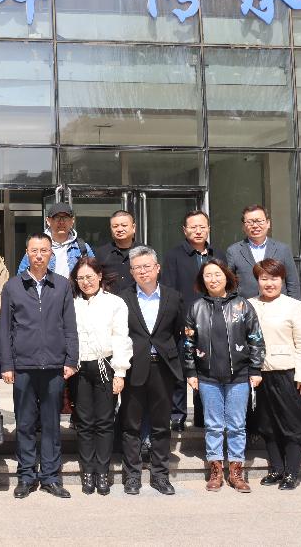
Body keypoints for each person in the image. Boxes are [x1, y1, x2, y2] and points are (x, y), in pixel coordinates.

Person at [0, 233, 78, 499]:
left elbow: (70, 326)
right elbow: (5, 329)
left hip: (54, 365)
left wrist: (71, 359)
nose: (39, 255)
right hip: (23, 366)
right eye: (34, 250)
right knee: (24, 423)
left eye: (44, 250)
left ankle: (51, 477)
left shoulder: (62, 285)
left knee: (51, 424)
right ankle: (26, 476)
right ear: (27, 253)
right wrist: (7, 364)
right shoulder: (13, 286)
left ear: (51, 254)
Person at [184, 258, 264, 493]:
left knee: (237, 425)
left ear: (226, 277)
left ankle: (236, 472)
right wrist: (190, 371)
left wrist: (255, 369)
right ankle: (216, 470)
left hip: (238, 375)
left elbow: (256, 339)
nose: (213, 279)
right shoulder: (196, 307)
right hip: (207, 376)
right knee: (213, 425)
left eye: (217, 274)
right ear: (202, 280)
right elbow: (188, 343)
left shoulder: (242, 305)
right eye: (208, 275)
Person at [249, 259, 301, 491]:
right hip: (260, 375)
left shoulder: (294, 306)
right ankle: (276, 469)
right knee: (267, 425)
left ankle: (291, 473)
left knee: (292, 425)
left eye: (274, 278)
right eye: (264, 278)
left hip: (288, 375)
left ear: (282, 280)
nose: (269, 283)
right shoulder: (249, 304)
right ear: (257, 281)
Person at [118, 246, 184, 496]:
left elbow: (178, 332)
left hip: (163, 367)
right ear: (131, 272)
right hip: (134, 367)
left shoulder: (173, 297)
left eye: (147, 266)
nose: (142, 271)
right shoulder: (122, 298)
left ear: (157, 268)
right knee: (131, 425)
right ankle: (132, 476)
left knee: (161, 426)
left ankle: (160, 476)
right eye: (137, 268)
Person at [70, 257, 131, 496]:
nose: (86, 282)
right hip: (79, 368)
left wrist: (120, 372)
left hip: (105, 366)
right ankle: (88, 471)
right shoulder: (72, 303)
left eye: (89, 276)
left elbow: (121, 338)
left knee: (105, 422)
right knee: (84, 423)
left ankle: (103, 472)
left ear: (99, 276)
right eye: (80, 278)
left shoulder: (115, 303)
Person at [162, 209, 223, 430]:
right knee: (180, 372)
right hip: (184, 324)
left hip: (213, 324)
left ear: (209, 229)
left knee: (207, 372)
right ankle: (177, 415)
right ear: (185, 230)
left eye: (202, 227)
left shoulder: (218, 255)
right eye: (193, 227)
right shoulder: (174, 256)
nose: (198, 231)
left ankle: (202, 415)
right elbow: (169, 290)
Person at [226, 204, 301, 300]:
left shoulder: (283, 249)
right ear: (244, 226)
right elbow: (229, 283)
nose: (255, 225)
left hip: (278, 305)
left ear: (268, 223)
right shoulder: (234, 251)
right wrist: (235, 304)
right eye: (249, 222)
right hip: (247, 305)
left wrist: (294, 305)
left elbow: (293, 283)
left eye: (259, 221)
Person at [18, 203, 94, 279]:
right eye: (57, 218)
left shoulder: (82, 247)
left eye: (65, 218)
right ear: (48, 221)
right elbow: (21, 277)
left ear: (72, 221)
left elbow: (94, 274)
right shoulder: (37, 245)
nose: (61, 222)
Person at [93, 210, 140, 293]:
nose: (119, 229)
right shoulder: (101, 253)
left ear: (133, 227)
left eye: (124, 225)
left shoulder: (144, 252)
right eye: (115, 226)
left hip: (138, 299)